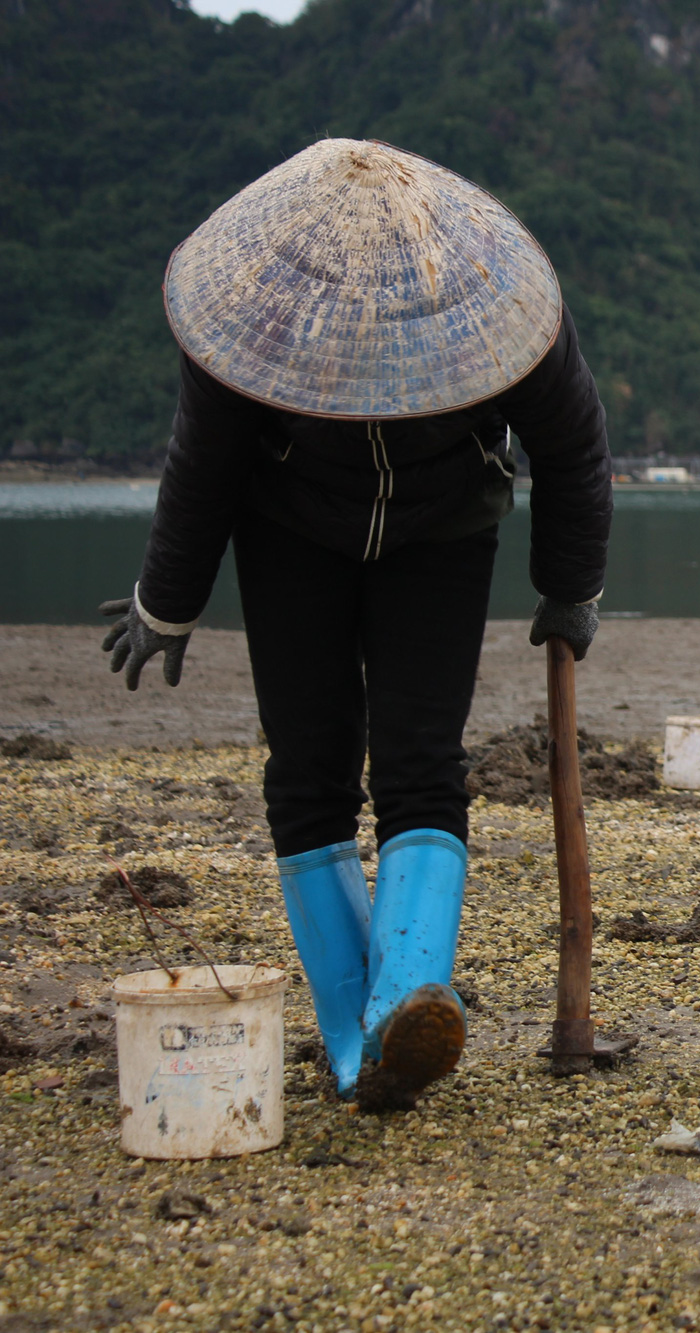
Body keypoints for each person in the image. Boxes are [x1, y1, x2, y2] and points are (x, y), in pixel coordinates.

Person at [99, 139, 612, 1111]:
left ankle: (404, 1000)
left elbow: (573, 444)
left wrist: (569, 585)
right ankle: (354, 1044)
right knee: (307, 769)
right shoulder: (251, 314)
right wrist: (164, 603)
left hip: (443, 528)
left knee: (421, 757)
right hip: (290, 529)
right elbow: (202, 466)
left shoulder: (500, 305)